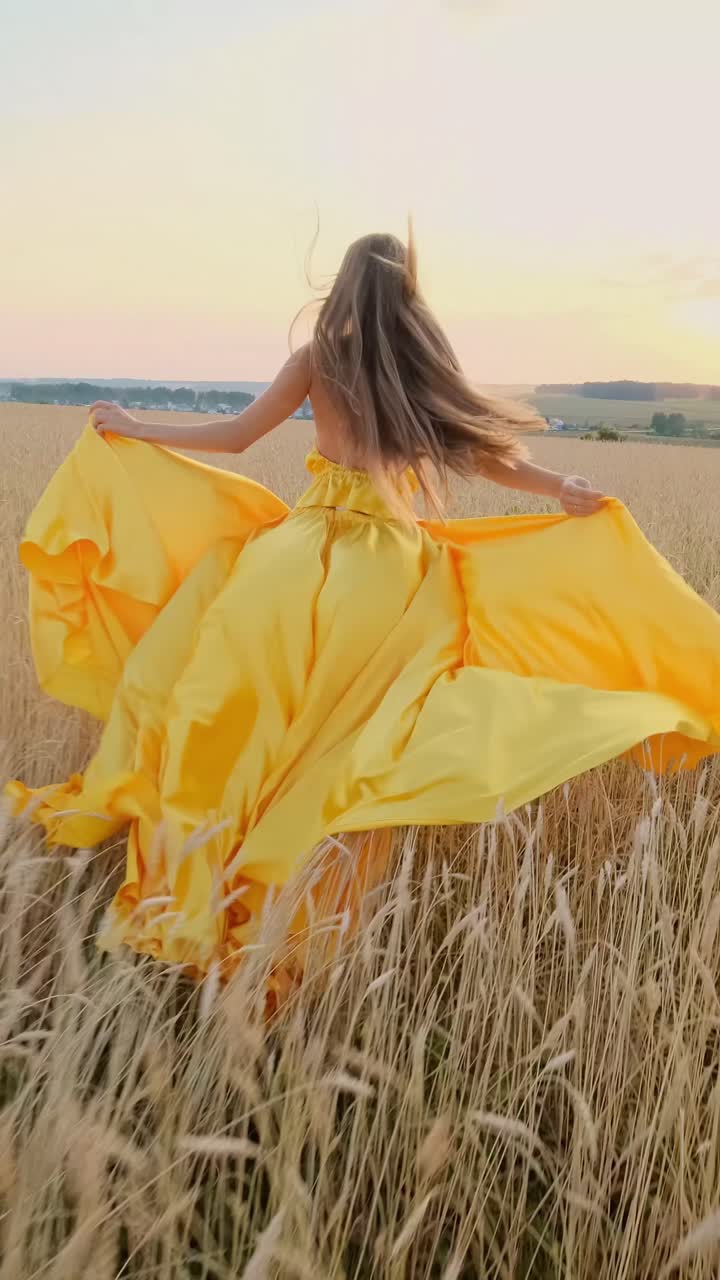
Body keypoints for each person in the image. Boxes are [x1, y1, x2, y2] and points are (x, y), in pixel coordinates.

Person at [6, 231, 720, 983]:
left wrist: (137, 426)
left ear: (342, 284)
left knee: (243, 714)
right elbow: (485, 457)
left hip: (294, 559)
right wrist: (561, 488)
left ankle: (204, 872)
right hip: (385, 570)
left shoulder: (318, 356)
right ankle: (295, 897)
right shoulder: (417, 365)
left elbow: (239, 438)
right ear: (408, 292)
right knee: (351, 738)